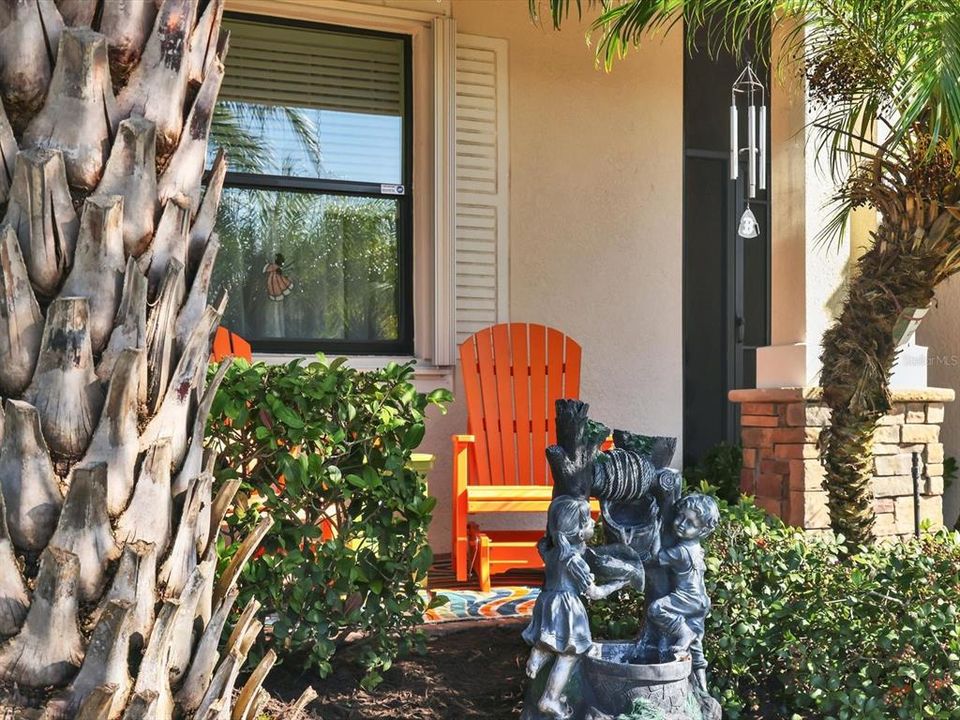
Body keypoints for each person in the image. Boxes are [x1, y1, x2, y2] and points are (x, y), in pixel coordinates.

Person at [522, 495, 636, 719]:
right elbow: (594, 593)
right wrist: (619, 583)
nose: (594, 523)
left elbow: (544, 548)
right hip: (567, 607)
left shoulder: (552, 552)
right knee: (570, 655)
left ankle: (539, 654)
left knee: (553, 640)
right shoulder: (575, 561)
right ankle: (550, 699)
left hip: (547, 602)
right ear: (578, 532)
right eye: (589, 521)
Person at [646, 492, 720, 693]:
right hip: (700, 601)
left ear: (703, 530)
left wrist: (654, 525)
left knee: (656, 609)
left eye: (690, 523)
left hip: (687, 597)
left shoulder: (681, 552)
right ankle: (703, 691)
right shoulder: (695, 547)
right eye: (680, 517)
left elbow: (655, 557)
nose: (680, 524)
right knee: (697, 649)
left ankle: (683, 633)